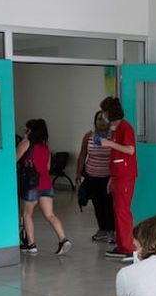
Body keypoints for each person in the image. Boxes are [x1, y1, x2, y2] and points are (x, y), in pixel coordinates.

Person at [16, 119, 72, 256]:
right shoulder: (45, 147)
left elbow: (13, 159)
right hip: (46, 184)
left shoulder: (26, 143)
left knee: (27, 214)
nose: (24, 131)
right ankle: (63, 239)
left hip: (31, 184)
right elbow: (47, 168)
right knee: (50, 214)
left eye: (26, 129)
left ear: (30, 131)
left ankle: (31, 245)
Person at [99, 97, 137, 262]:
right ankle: (121, 245)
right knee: (118, 211)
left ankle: (128, 248)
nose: (103, 115)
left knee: (123, 212)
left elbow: (130, 150)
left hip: (125, 176)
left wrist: (109, 144)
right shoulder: (116, 129)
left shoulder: (125, 128)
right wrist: (111, 179)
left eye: (105, 112)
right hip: (117, 176)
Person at [76, 110, 115, 242]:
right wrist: (78, 173)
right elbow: (83, 155)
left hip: (108, 178)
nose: (102, 122)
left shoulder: (113, 136)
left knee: (109, 205)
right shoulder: (89, 136)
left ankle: (112, 231)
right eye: (99, 119)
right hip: (92, 177)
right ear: (95, 121)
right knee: (98, 205)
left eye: (105, 119)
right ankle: (102, 229)